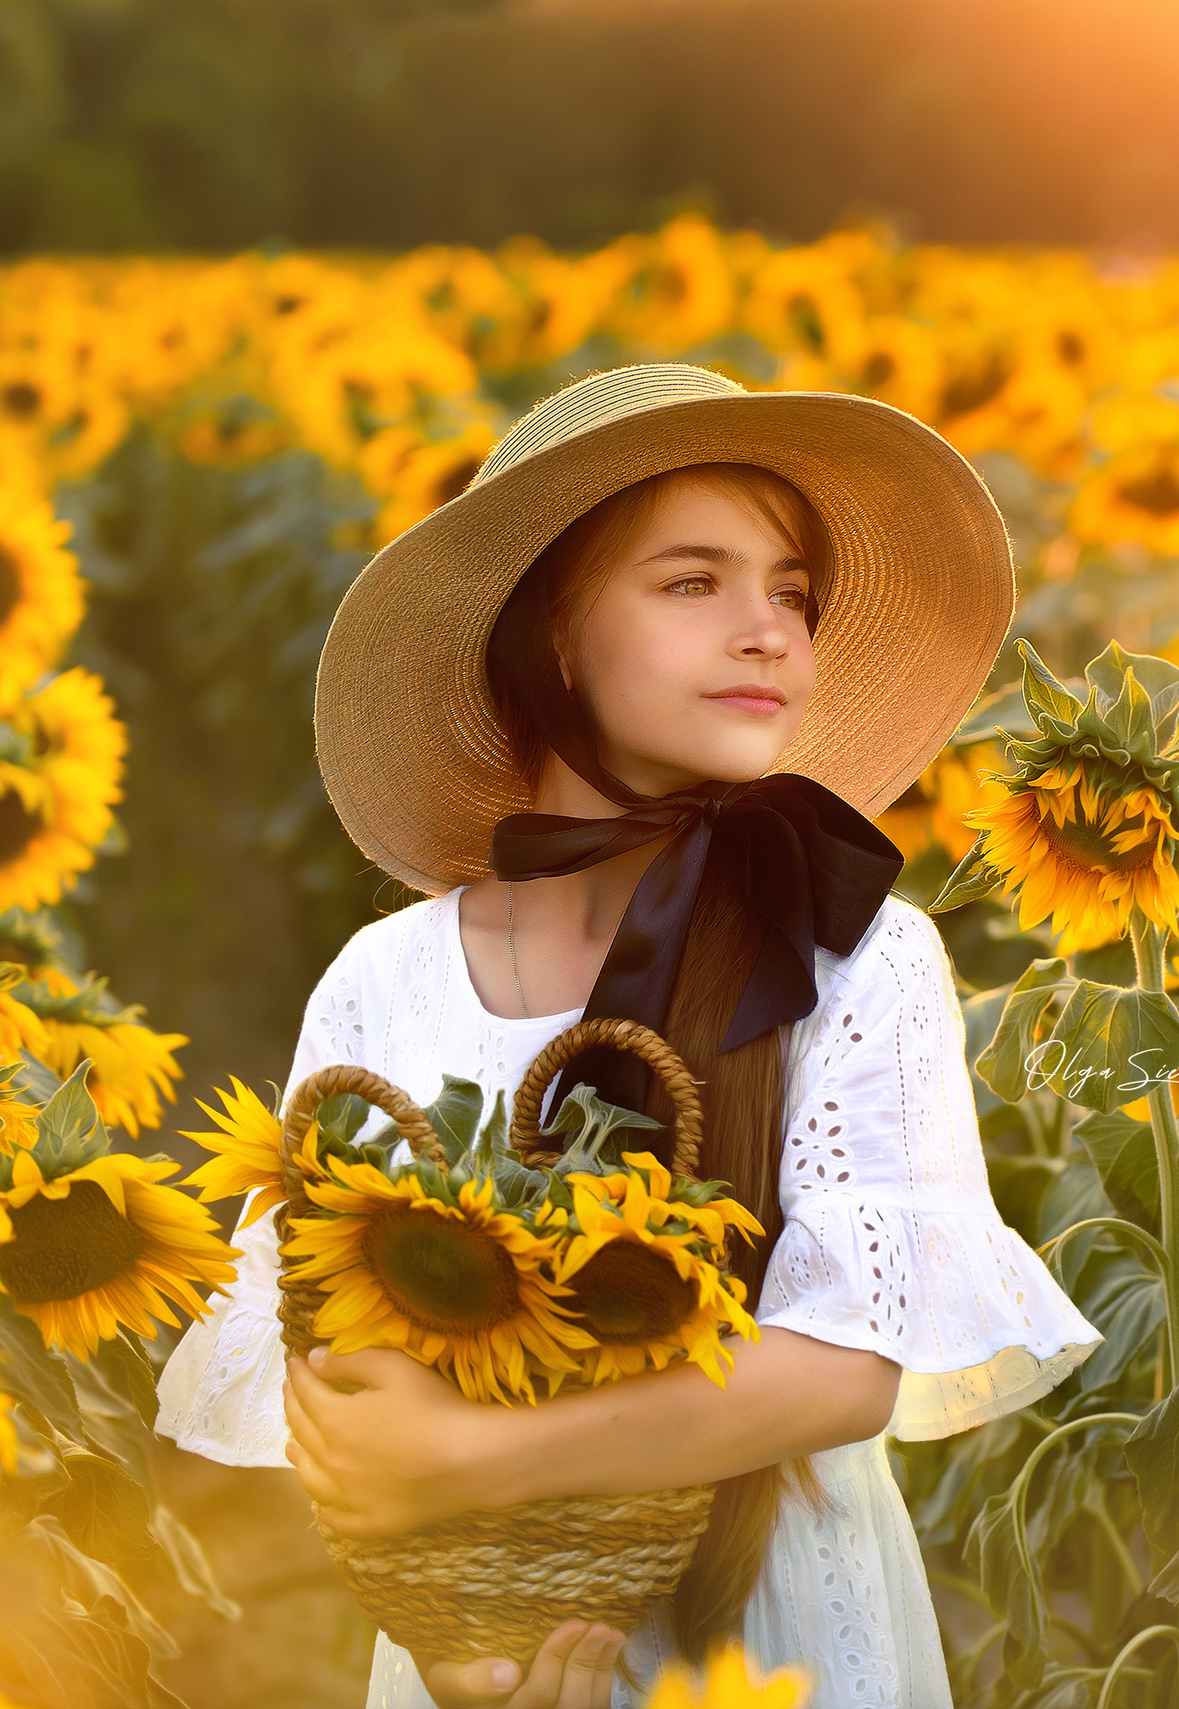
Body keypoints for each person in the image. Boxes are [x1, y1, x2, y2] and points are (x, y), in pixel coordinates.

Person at [154, 362, 1100, 1709]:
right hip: (477, 1637)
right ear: (553, 634)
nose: (767, 629)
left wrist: (473, 1464)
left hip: (777, 1641)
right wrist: (452, 1645)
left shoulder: (859, 953)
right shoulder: (386, 981)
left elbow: (843, 1369)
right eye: (693, 582)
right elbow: (331, 1363)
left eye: (793, 591)